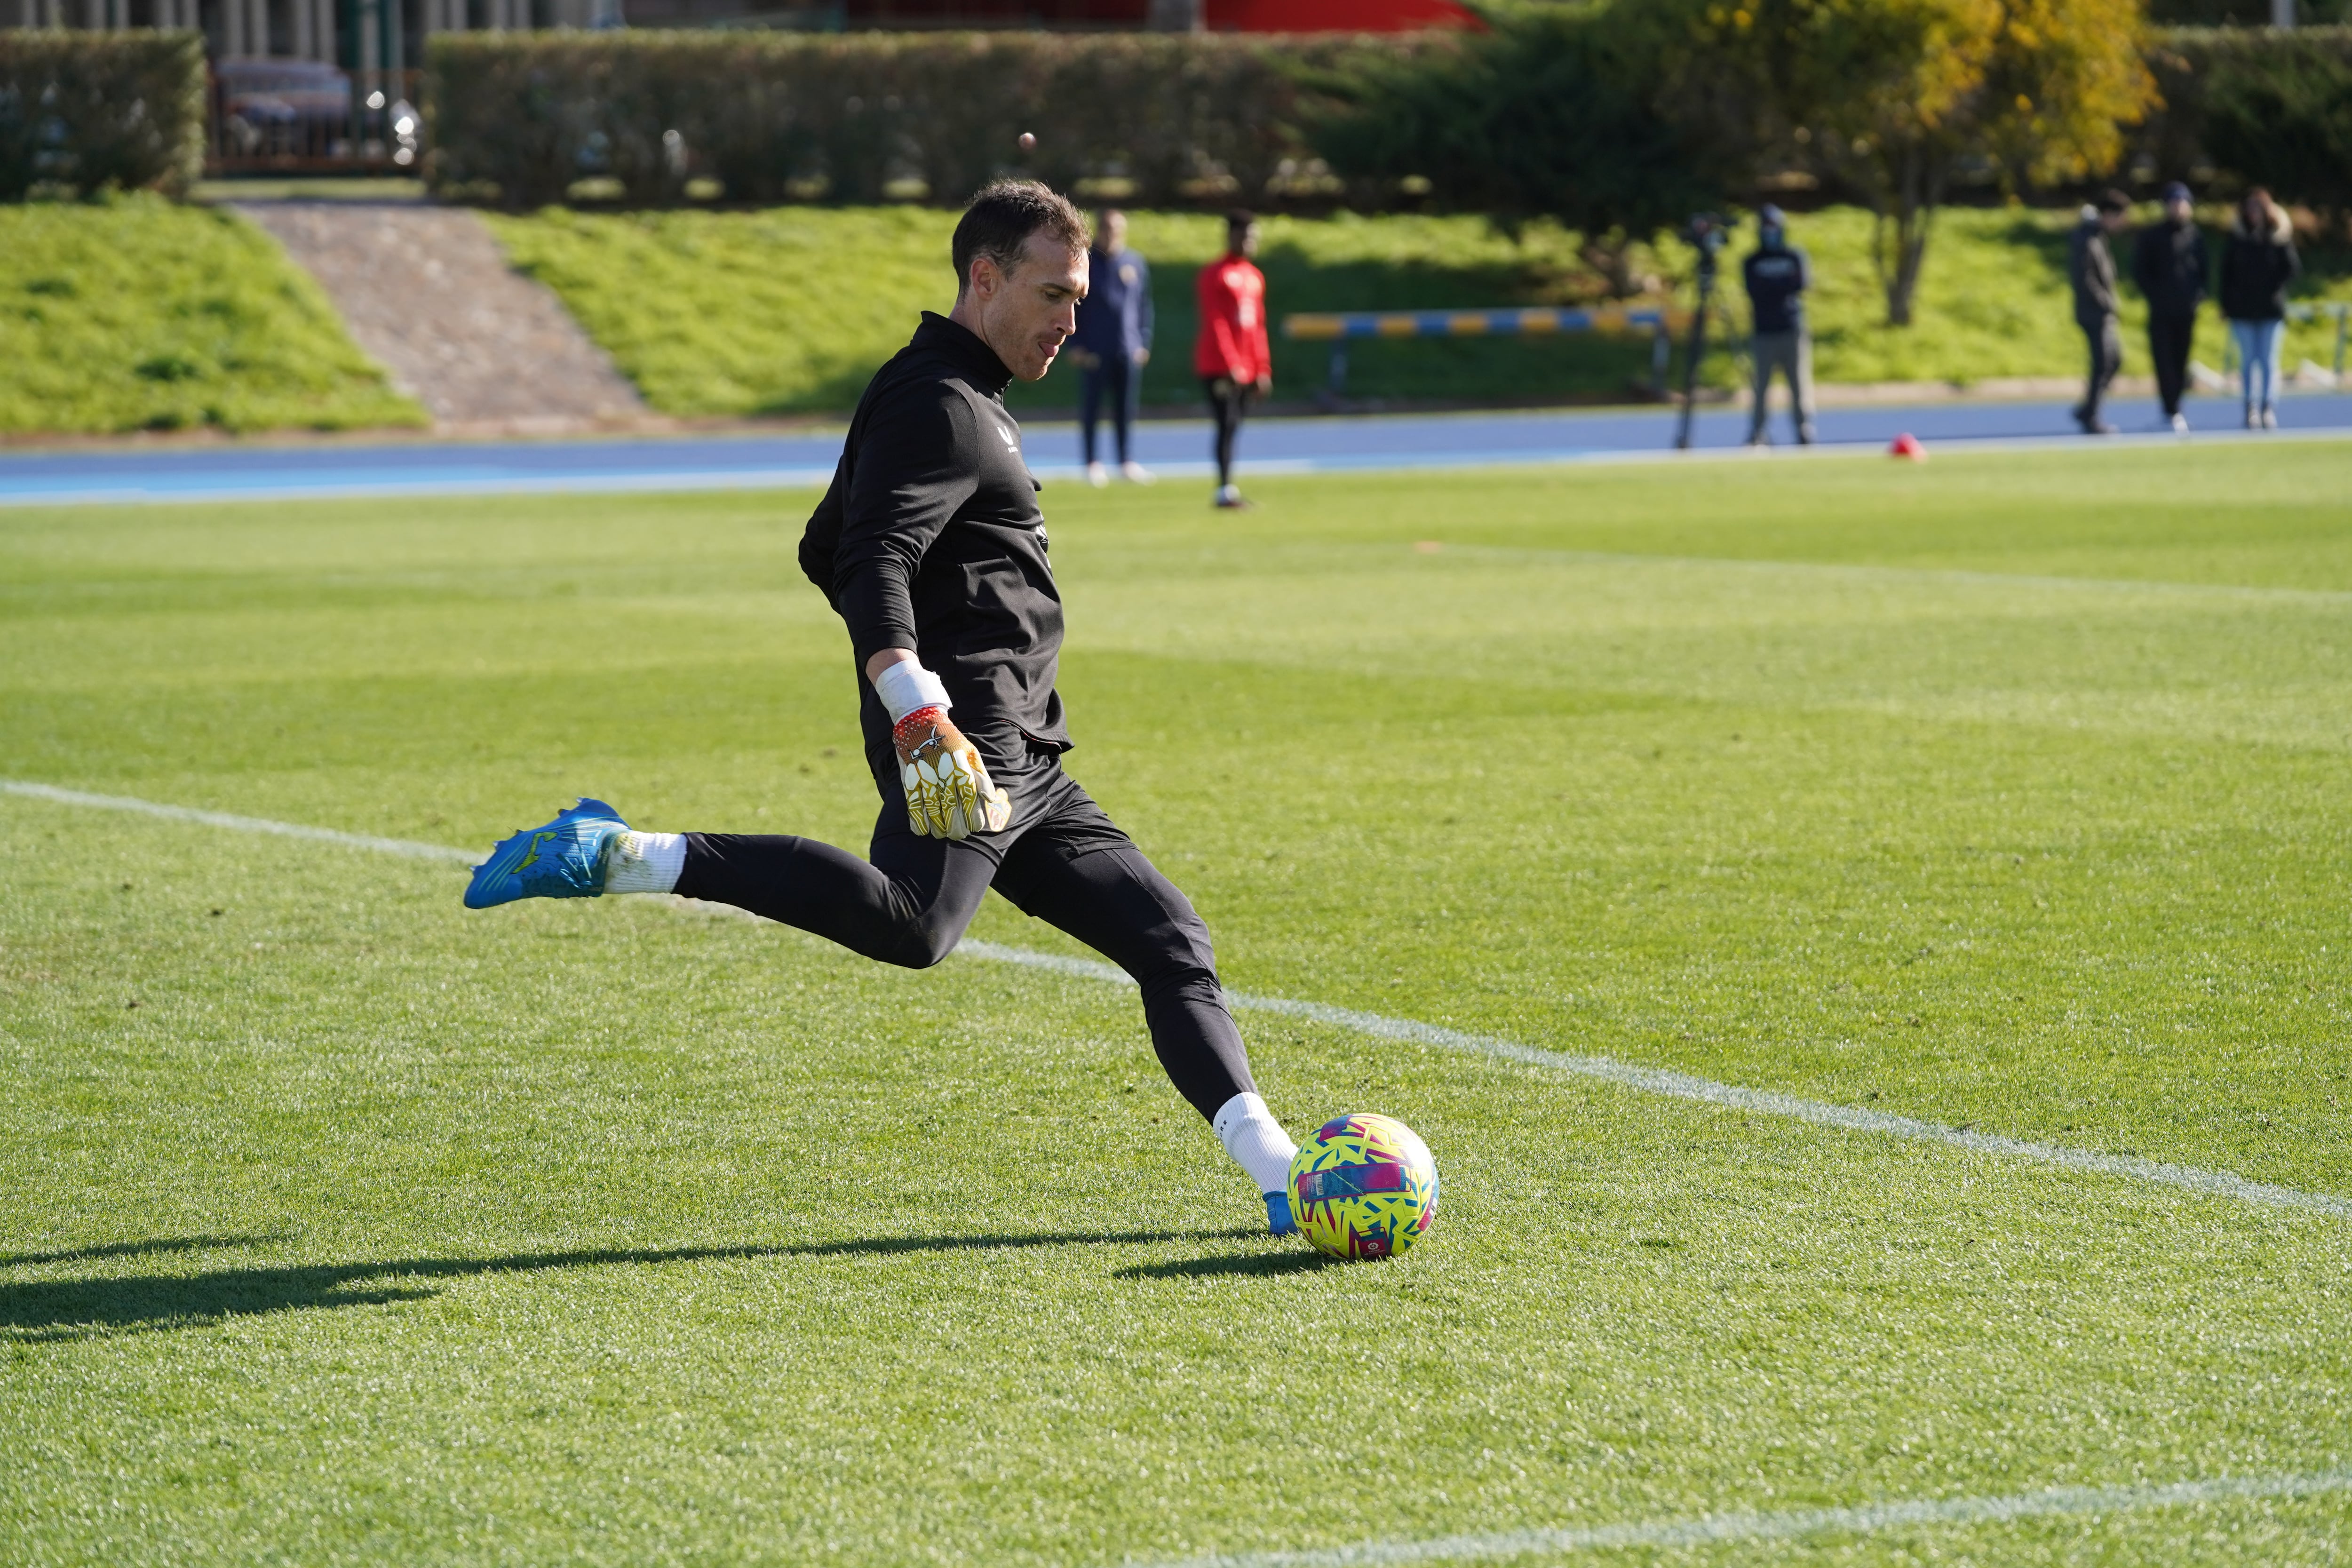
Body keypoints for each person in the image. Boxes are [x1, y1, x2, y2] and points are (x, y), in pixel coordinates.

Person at [459, 181, 1304, 1239]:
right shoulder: (940, 401)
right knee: (914, 923)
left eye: (1080, 300)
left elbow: (826, 545)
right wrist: (918, 705)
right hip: (967, 738)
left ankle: (1281, 1173)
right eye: (1052, 295)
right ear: (984, 279)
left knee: (1171, 937)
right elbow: (871, 556)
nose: (1070, 321)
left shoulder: (949, 389)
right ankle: (622, 853)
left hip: (1026, 754)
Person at [1070, 207, 1154, 486]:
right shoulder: (1087, 262)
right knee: (1092, 407)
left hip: (1127, 347)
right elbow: (1075, 305)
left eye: (1118, 229)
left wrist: (1143, 341)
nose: (1113, 235)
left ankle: (1126, 461)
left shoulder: (1134, 263)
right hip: (1095, 348)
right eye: (1108, 229)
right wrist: (1076, 343)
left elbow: (1143, 306)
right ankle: (1092, 462)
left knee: (1125, 408)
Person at [1194, 210, 1271, 510]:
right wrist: (1231, 364)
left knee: (1235, 424)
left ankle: (1229, 486)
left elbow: (1258, 327)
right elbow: (1216, 322)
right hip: (1219, 366)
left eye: (1254, 238)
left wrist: (1262, 368)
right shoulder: (1216, 274)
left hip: (1247, 367)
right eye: (1245, 237)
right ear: (1231, 236)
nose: (1250, 243)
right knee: (1226, 423)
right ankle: (1225, 489)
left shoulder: (1254, 277)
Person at [2218, 186, 2300, 430]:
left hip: (2270, 310)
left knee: (2268, 360)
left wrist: (2273, 289)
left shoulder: (2278, 238)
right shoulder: (2238, 239)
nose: (2254, 213)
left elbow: (2292, 269)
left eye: (2258, 208)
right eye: (2250, 208)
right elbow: (2226, 275)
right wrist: (2227, 304)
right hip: (2243, 310)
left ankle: (2268, 406)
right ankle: (2250, 406)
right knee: (2248, 361)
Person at [2133, 181, 2208, 433]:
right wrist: (2156, 296)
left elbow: (2203, 272)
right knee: (2163, 361)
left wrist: (2197, 297)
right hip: (2161, 311)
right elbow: (2141, 271)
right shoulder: (2153, 236)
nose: (2178, 208)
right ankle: (2169, 411)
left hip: (2186, 311)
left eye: (2182, 203)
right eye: (2174, 203)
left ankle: (2177, 409)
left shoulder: (2195, 236)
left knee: (2180, 361)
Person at [1741, 203, 1815, 447]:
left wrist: (1772, 286)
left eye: (1774, 226)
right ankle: (1758, 432)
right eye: (1767, 227)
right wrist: (1780, 285)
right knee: (1761, 386)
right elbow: (1755, 290)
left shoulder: (1793, 256)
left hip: (1791, 329)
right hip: (1763, 331)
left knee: (1798, 383)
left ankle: (1803, 429)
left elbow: (1800, 284)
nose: (1770, 231)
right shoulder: (1752, 261)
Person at [2069, 190, 2131, 436]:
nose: (2122, 223)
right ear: (2108, 214)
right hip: (2093, 313)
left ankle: (2088, 410)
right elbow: (2085, 278)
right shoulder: (2087, 237)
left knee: (2113, 360)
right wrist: (2106, 302)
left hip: (2102, 313)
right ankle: (2091, 416)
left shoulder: (2097, 235)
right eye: (2120, 217)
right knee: (2103, 363)